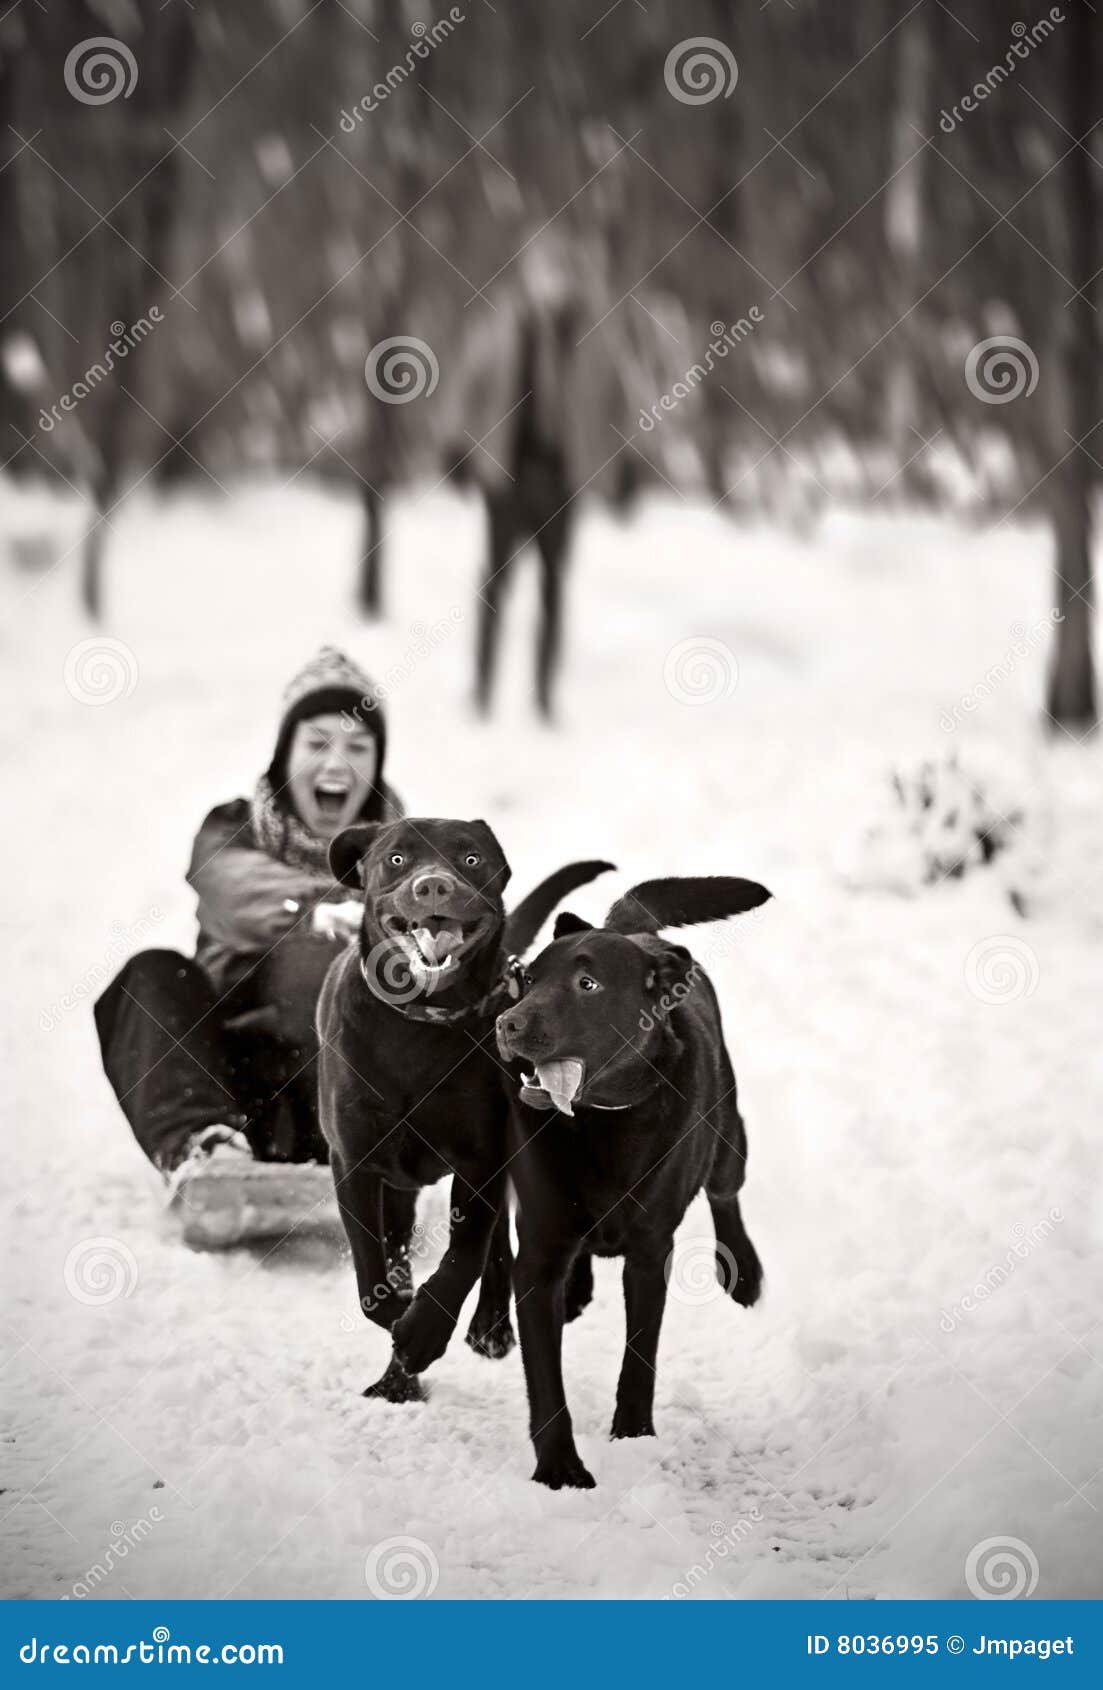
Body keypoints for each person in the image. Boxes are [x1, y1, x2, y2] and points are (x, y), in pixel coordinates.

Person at [94, 647, 402, 1206]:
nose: (337, 765)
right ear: (285, 757)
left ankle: (371, 1160)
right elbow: (234, 889)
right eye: (318, 744)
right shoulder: (232, 830)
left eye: (358, 747)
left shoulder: (409, 858)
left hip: (335, 1090)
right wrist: (321, 911)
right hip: (229, 1072)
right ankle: (209, 1150)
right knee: (150, 975)